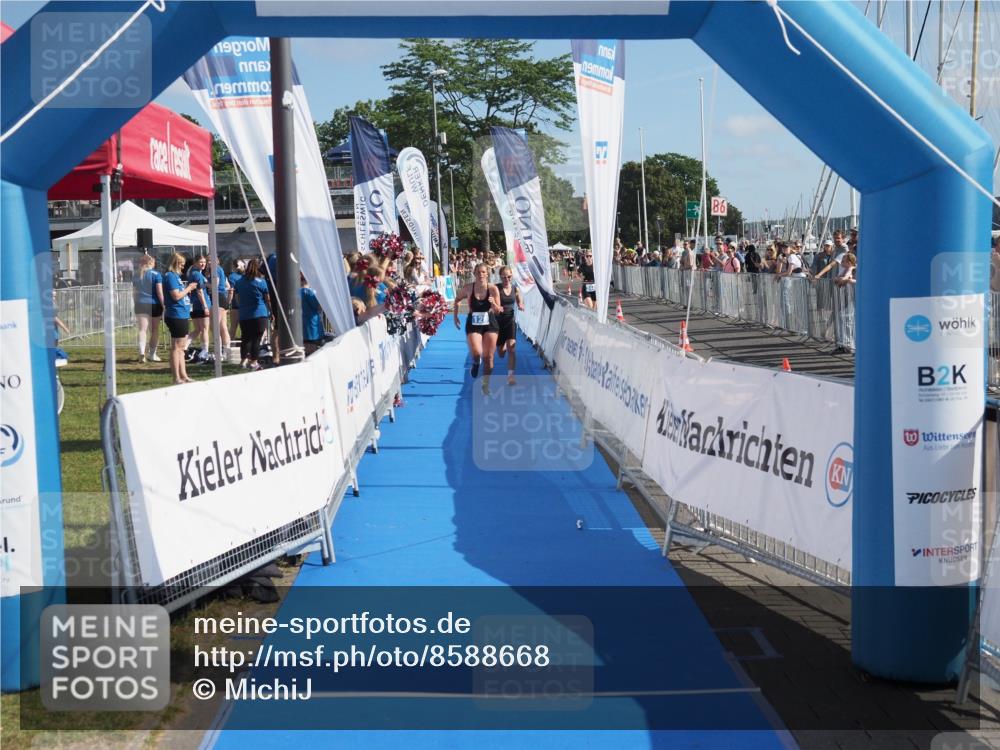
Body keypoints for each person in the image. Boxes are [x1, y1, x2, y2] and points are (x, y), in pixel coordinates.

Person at [453, 262, 502, 395]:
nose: (481, 274)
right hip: (473, 323)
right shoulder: (468, 288)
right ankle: (475, 363)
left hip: (490, 323)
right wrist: (455, 316)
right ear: (474, 274)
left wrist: (494, 305)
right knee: (476, 352)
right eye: (478, 272)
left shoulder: (493, 289)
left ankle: (485, 385)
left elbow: (499, 310)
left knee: (489, 358)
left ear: (487, 274)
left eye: (483, 272)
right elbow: (457, 300)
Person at [163, 252, 199, 384]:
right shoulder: (170, 276)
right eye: (182, 265)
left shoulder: (176, 277)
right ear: (176, 264)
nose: (183, 267)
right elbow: (176, 296)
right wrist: (189, 287)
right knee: (176, 347)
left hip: (182, 314)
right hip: (175, 314)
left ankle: (184, 375)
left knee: (182, 347)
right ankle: (176, 377)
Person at [236, 258, 272, 371]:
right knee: (256, 339)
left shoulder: (240, 281)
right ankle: (253, 362)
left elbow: (237, 298)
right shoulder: (261, 282)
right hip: (259, 313)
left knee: (246, 338)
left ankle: (242, 361)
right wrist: (271, 312)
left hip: (244, 314)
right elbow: (267, 299)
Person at [495, 266, 525, 385]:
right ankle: (504, 346)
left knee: (512, 349)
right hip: (498, 323)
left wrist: (521, 304)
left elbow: (519, 298)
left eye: (509, 276)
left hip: (510, 320)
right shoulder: (496, 288)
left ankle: (511, 376)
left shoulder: (515, 288)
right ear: (500, 277)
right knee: (501, 353)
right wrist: (496, 307)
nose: (507, 279)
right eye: (504, 277)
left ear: (512, 276)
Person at [132, 254, 163, 363]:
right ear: (151, 263)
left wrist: (136, 302)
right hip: (154, 303)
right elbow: (159, 292)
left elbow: (134, 293)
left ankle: (141, 352)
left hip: (140, 303)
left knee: (142, 330)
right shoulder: (156, 274)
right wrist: (163, 304)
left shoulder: (136, 275)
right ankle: (152, 354)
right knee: (154, 330)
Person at [186, 255, 212, 364]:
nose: (203, 264)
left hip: (195, 305)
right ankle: (205, 351)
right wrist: (205, 306)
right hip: (200, 305)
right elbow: (199, 291)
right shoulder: (196, 274)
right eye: (200, 262)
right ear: (195, 263)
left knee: (197, 330)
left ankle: (184, 346)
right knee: (205, 329)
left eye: (204, 262)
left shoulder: (195, 273)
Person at [212, 257, 232, 360]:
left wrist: (206, 284)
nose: (209, 262)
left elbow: (215, 284)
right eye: (208, 260)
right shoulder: (221, 269)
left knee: (216, 326)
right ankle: (226, 351)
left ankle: (219, 352)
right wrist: (223, 289)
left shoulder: (216, 269)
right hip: (222, 297)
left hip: (218, 298)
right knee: (222, 326)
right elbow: (227, 285)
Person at [301, 274, 325, 355]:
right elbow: (318, 306)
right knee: (313, 351)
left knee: (306, 348)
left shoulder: (297, 291)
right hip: (312, 326)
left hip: (303, 324)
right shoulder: (308, 292)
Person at [227, 259, 245, 341]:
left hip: (236, 304)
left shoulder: (232, 276)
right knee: (244, 327)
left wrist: (228, 303)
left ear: (233, 266)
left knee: (234, 326)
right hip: (245, 304)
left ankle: (230, 343)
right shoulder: (246, 276)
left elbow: (231, 290)